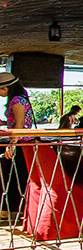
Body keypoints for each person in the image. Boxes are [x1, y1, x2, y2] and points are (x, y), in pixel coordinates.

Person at [0, 72, 34, 221]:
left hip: (20, 143)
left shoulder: (17, 100)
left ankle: (12, 209)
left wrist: (12, 145)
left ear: (7, 88)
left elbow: (19, 125)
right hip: (19, 142)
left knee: (14, 176)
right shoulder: (18, 99)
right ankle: (12, 209)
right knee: (13, 175)